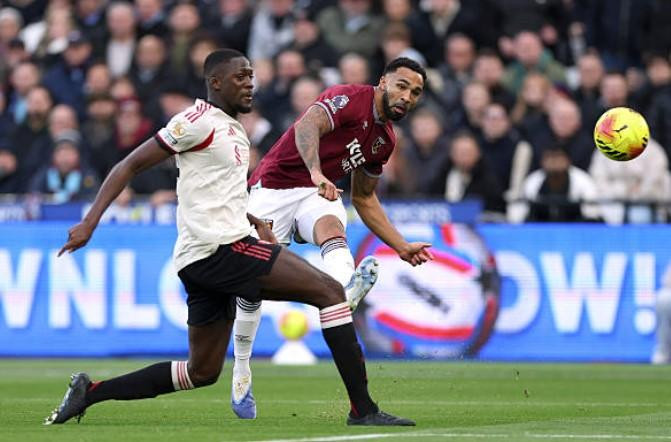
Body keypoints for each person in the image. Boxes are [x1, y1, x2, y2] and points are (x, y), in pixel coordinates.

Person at [44, 49, 414, 427]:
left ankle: (90, 392)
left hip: (204, 257)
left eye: (251, 76)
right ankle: (363, 410)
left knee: (201, 372)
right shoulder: (195, 121)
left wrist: (254, 221)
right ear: (215, 83)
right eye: (241, 77)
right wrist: (90, 221)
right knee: (331, 293)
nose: (250, 84)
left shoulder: (234, 130)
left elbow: (219, 194)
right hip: (221, 250)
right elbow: (130, 164)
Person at [232, 57, 434, 419]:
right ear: (383, 82)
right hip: (273, 188)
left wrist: (401, 246)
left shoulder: (384, 141)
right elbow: (307, 125)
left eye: (415, 92)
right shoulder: (349, 98)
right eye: (402, 86)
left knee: (332, 227)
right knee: (250, 287)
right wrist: (315, 171)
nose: (407, 97)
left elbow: (364, 198)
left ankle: (344, 290)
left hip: (318, 193)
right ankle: (242, 369)